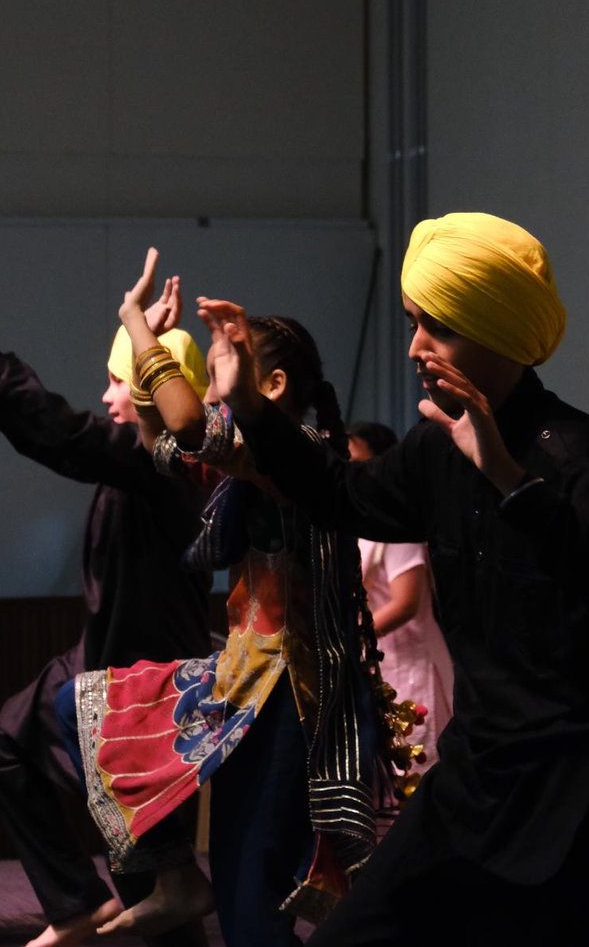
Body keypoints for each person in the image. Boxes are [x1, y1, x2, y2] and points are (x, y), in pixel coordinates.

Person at [199, 212, 589, 944]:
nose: (416, 348)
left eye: (440, 329)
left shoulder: (571, 450)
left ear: (496, 334)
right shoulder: (436, 445)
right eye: (414, 324)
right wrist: (247, 405)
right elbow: (340, 494)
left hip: (586, 784)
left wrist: (512, 480)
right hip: (484, 766)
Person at [62, 249, 391, 947]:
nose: (209, 394)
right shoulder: (256, 460)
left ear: (272, 385)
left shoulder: (292, 451)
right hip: (244, 689)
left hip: (288, 700)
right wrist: (147, 346)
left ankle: (189, 885)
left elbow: (189, 428)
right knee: (81, 710)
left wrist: (135, 325)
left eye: (219, 378)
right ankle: (178, 878)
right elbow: (163, 446)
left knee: (253, 907)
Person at [0, 281, 213, 947]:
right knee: (3, 744)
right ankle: (75, 900)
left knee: (151, 885)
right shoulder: (147, 462)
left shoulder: (164, 466)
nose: (107, 396)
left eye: (118, 382)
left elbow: (61, 431)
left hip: (142, 681)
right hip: (103, 662)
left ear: (152, 392)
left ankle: (145, 893)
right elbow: (60, 438)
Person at [346, 422, 453, 783]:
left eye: (356, 462)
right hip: (378, 663)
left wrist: (351, 637)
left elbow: (406, 602)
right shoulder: (358, 526)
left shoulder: (397, 525)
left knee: (415, 770)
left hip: (409, 665)